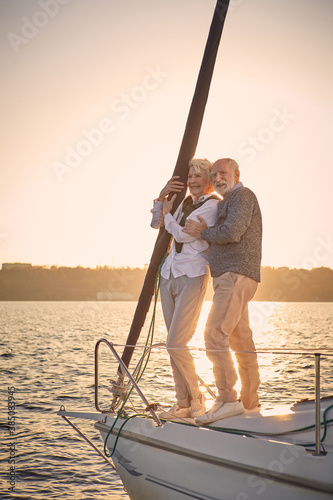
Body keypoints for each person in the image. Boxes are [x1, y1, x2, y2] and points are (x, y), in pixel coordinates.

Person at [183, 158, 262, 424]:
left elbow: (233, 232)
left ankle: (228, 399)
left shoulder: (242, 196)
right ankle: (250, 403)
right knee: (241, 340)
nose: (217, 179)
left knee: (214, 334)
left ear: (236, 174)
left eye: (223, 173)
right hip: (233, 276)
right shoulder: (229, 199)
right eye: (214, 175)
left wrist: (204, 232)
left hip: (235, 275)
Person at [151, 158, 220, 419]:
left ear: (209, 181)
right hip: (169, 274)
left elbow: (182, 235)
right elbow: (156, 224)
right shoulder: (183, 205)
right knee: (173, 345)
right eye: (189, 176)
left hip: (193, 275)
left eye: (197, 177)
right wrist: (162, 198)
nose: (192, 181)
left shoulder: (212, 205)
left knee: (175, 343)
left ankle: (198, 399)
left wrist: (169, 215)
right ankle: (182, 403)